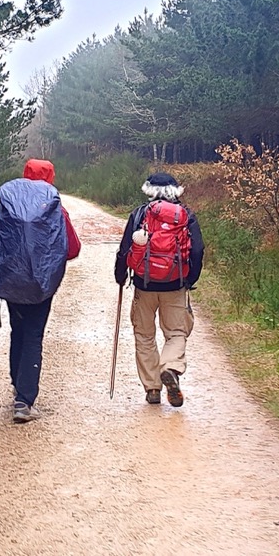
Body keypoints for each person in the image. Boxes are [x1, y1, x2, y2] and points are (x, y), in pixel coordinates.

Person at [0, 159, 81, 423]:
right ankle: (24, 401)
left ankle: (18, 386)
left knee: (19, 330)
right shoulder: (54, 208)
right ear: (50, 176)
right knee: (34, 335)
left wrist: (7, 261)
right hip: (41, 285)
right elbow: (73, 248)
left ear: (24, 174)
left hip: (13, 283)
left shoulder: (7, 206)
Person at [115, 172, 204, 407]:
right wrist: (189, 278)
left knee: (144, 335)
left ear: (149, 190)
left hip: (144, 284)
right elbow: (197, 250)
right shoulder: (185, 215)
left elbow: (125, 247)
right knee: (176, 333)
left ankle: (153, 388)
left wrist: (120, 275)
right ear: (176, 190)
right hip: (175, 284)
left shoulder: (140, 214)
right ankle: (170, 367)